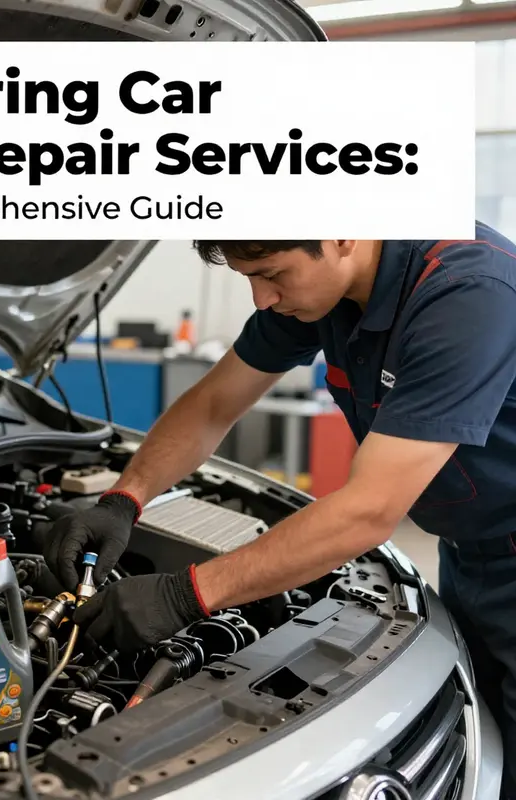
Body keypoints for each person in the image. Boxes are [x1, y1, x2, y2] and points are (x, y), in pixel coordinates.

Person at [43, 229, 516, 794]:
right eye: (250, 278)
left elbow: (368, 511)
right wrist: (126, 498)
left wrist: (187, 594)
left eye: (271, 274)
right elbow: (214, 403)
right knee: (487, 739)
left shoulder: (468, 293)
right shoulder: (322, 292)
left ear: (342, 236)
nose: (261, 298)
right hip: (470, 551)